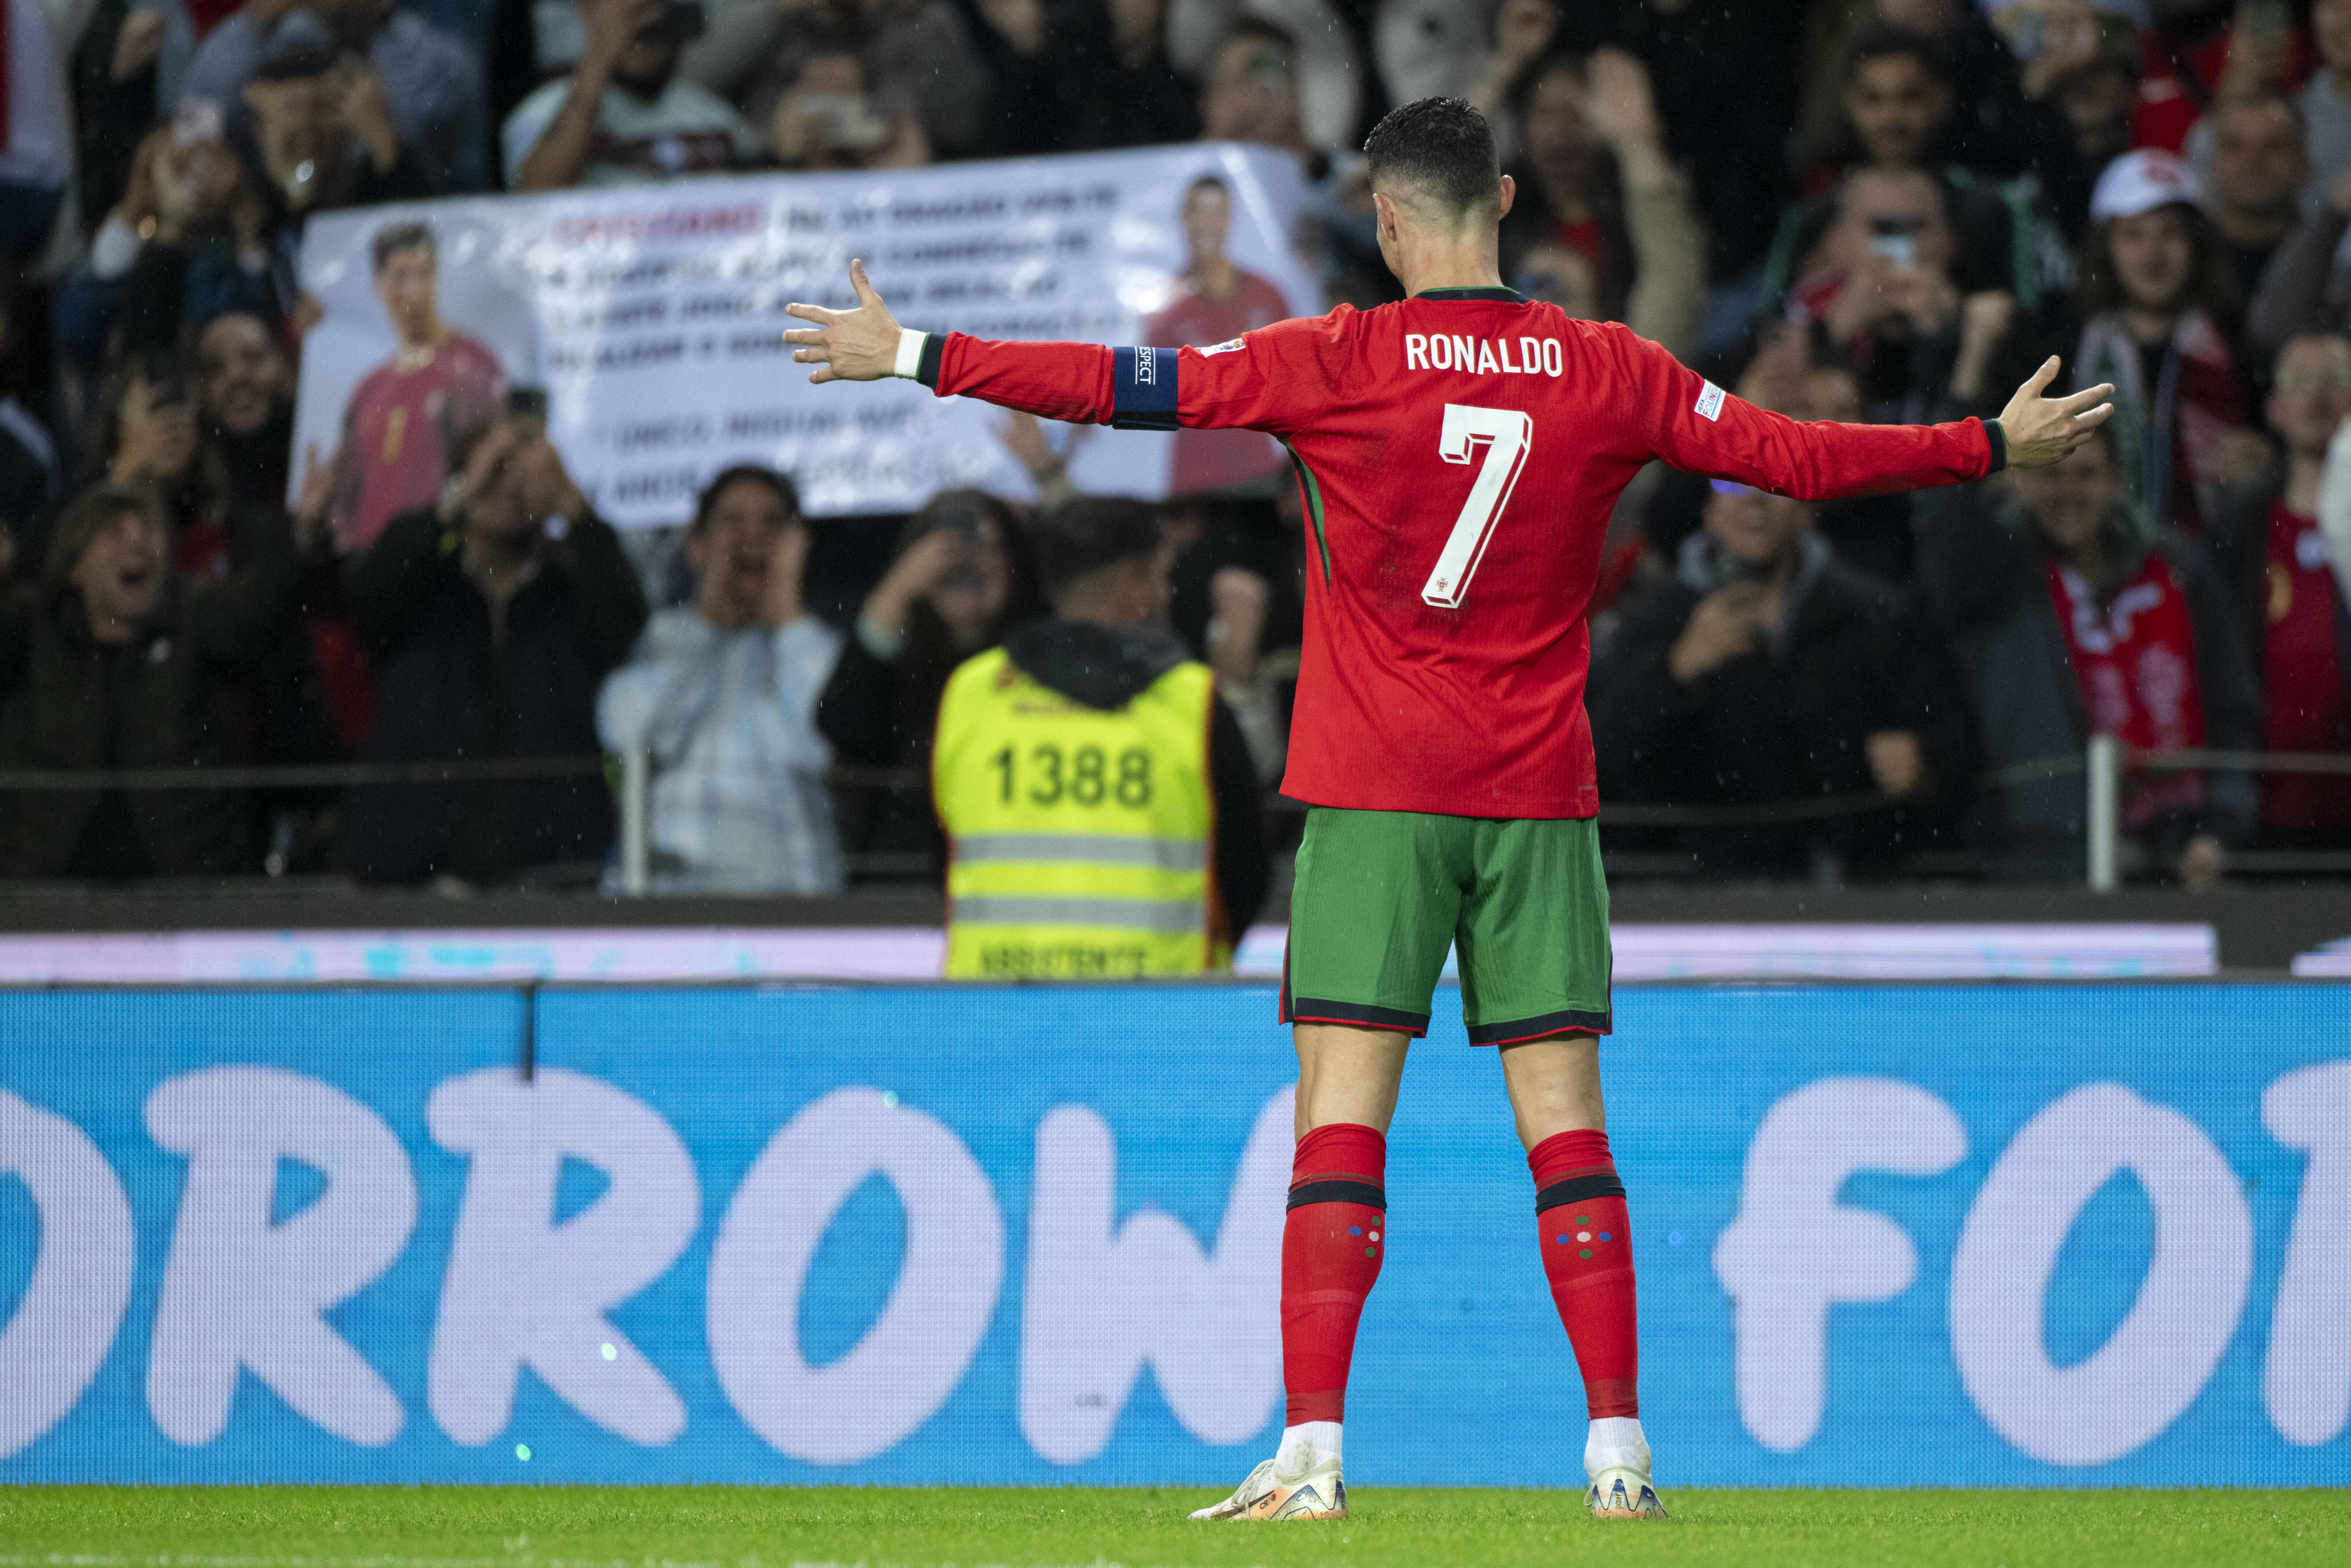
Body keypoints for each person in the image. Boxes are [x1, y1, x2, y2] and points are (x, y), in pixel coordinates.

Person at [783, 94, 2109, 1521]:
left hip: (1374, 794)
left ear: (1384, 219)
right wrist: (1979, 444)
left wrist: (917, 353)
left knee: (1339, 1124)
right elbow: (1791, 454)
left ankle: (1310, 1455)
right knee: (1567, 1130)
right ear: (1507, 206)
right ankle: (1615, 1455)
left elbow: (1126, 387)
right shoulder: (1602, 367)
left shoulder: (1331, 359)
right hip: (1536, 796)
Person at [929, 495, 1267, 976]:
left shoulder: (972, 690)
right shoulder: (1191, 699)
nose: (1164, 594)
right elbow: (1243, 868)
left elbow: (940, 853)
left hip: (997, 1004)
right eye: (1159, 576)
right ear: (1131, 580)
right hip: (1158, 1006)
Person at [1914, 419, 2258, 885]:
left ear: (2117, 482)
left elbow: (2232, 712)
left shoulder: (2179, 573)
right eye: (2051, 474)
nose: (2068, 491)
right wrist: (1969, 383)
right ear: (2021, 480)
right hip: (2042, 866)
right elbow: (1941, 514)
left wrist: (2217, 830)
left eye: (2087, 474)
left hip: (2176, 859)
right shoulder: (1998, 581)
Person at [1588, 478, 1975, 879]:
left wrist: (1926, 762)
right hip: (1698, 907)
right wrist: (1675, 671)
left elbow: (1959, 743)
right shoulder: (1652, 619)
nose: (1754, 501)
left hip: (1853, 899)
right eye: (1731, 484)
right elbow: (1598, 761)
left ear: (1804, 508)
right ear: (1707, 510)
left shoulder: (1876, 613)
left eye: (1771, 483)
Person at [341, 407, 649, 886]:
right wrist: (458, 495)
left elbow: (626, 622)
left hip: (549, 867)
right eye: (495, 468)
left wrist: (571, 504)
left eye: (525, 471)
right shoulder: (422, 584)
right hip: (410, 863)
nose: (509, 483)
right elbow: (367, 598)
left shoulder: (571, 593)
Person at [0, 481, 306, 878]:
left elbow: (256, 608)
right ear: (75, 567)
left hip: (183, 892)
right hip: (47, 896)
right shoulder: (35, 630)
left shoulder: (192, 616)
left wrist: (298, 538)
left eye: (150, 532)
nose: (139, 544)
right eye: (114, 532)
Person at [597, 466, 845, 894]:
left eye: (772, 523)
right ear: (697, 547)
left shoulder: (811, 645)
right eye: (732, 522)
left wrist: (786, 613)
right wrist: (714, 616)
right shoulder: (659, 641)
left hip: (794, 909)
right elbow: (634, 735)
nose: (752, 537)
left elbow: (819, 744)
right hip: (674, 908)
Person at [817, 488, 1039, 870]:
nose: (967, 560)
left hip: (1019, 871)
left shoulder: (1042, 659)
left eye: (988, 546)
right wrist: (896, 593)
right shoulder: (892, 664)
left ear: (1015, 562)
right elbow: (846, 728)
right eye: (947, 546)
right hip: (904, 883)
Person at [2209, 331, 2351, 844]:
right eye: (2299, 381)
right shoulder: (2238, 530)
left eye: (2335, 379)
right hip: (2265, 812)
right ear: (2271, 409)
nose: (2318, 395)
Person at [2072, 148, 2259, 534]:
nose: (2152, 254)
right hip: (2106, 559)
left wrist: (2264, 461)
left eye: (2169, 232)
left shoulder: (2240, 343)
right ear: (2105, 249)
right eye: (2133, 235)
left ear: (2197, 243)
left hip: (2221, 554)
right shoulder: (2069, 346)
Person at [1496, 48, 1705, 361]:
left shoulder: (1632, 228)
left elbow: (1674, 279)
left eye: (1576, 111)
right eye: (1546, 112)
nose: (1562, 127)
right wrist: (1503, 66)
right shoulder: (1500, 226)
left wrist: (1638, 142)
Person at [327, 220, 507, 553]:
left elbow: (491, 478)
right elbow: (347, 497)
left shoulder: (474, 366)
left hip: (441, 563)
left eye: (426, 273)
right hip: (372, 572)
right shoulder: (367, 389)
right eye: (402, 277)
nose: (417, 290)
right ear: (379, 285)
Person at [179, 0, 487, 192]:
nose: (304, 102)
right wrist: (255, 20)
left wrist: (376, 17)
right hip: (270, 220)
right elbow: (190, 136)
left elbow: (437, 111)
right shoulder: (242, 43)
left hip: (383, 207)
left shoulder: (426, 52)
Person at [505, 0, 759, 190]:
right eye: (631, 14)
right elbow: (535, 199)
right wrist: (597, 66)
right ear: (589, 10)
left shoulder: (716, 115)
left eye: (653, 8)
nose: (642, 28)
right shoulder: (541, 111)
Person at [1143, 176, 1293, 495]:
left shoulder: (1267, 296)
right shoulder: (1163, 305)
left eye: (1216, 212)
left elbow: (1296, 381)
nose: (1206, 223)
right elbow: (1150, 397)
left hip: (1260, 475)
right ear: (1183, 218)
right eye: (1197, 211)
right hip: (1196, 481)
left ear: (1229, 218)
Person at [969, 0, 1199, 157]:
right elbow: (997, 148)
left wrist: (1143, 54)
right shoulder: (1056, 68)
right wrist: (1027, 51)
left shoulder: (1183, 76)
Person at [2198, 95, 2309, 301]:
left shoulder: (2334, 260)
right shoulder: (2183, 263)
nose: (2253, 162)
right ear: (2213, 165)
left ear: (2303, 164)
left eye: (2274, 146)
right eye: (2235, 146)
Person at [195, 309, 296, 509]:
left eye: (253, 357)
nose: (236, 376)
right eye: (216, 368)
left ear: (286, 365)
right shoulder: (197, 498)